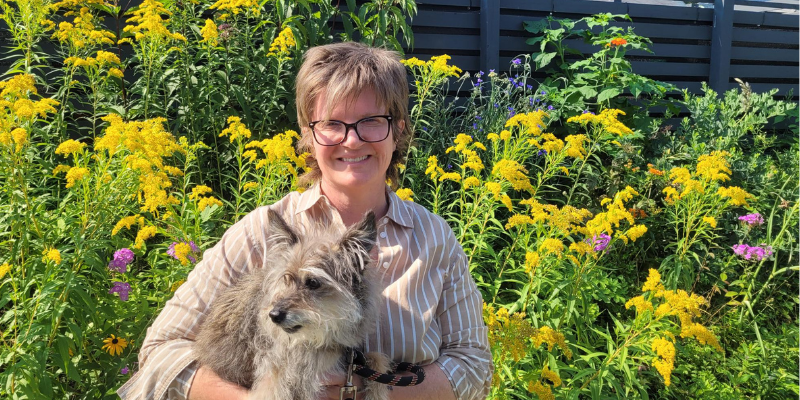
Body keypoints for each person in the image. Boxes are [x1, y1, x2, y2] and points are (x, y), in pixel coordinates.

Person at [117, 42, 492, 400]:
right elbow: (160, 351)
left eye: (372, 121)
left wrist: (368, 392)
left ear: (399, 130)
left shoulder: (433, 238)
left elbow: (475, 366)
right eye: (331, 124)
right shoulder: (261, 231)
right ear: (308, 136)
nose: (351, 141)